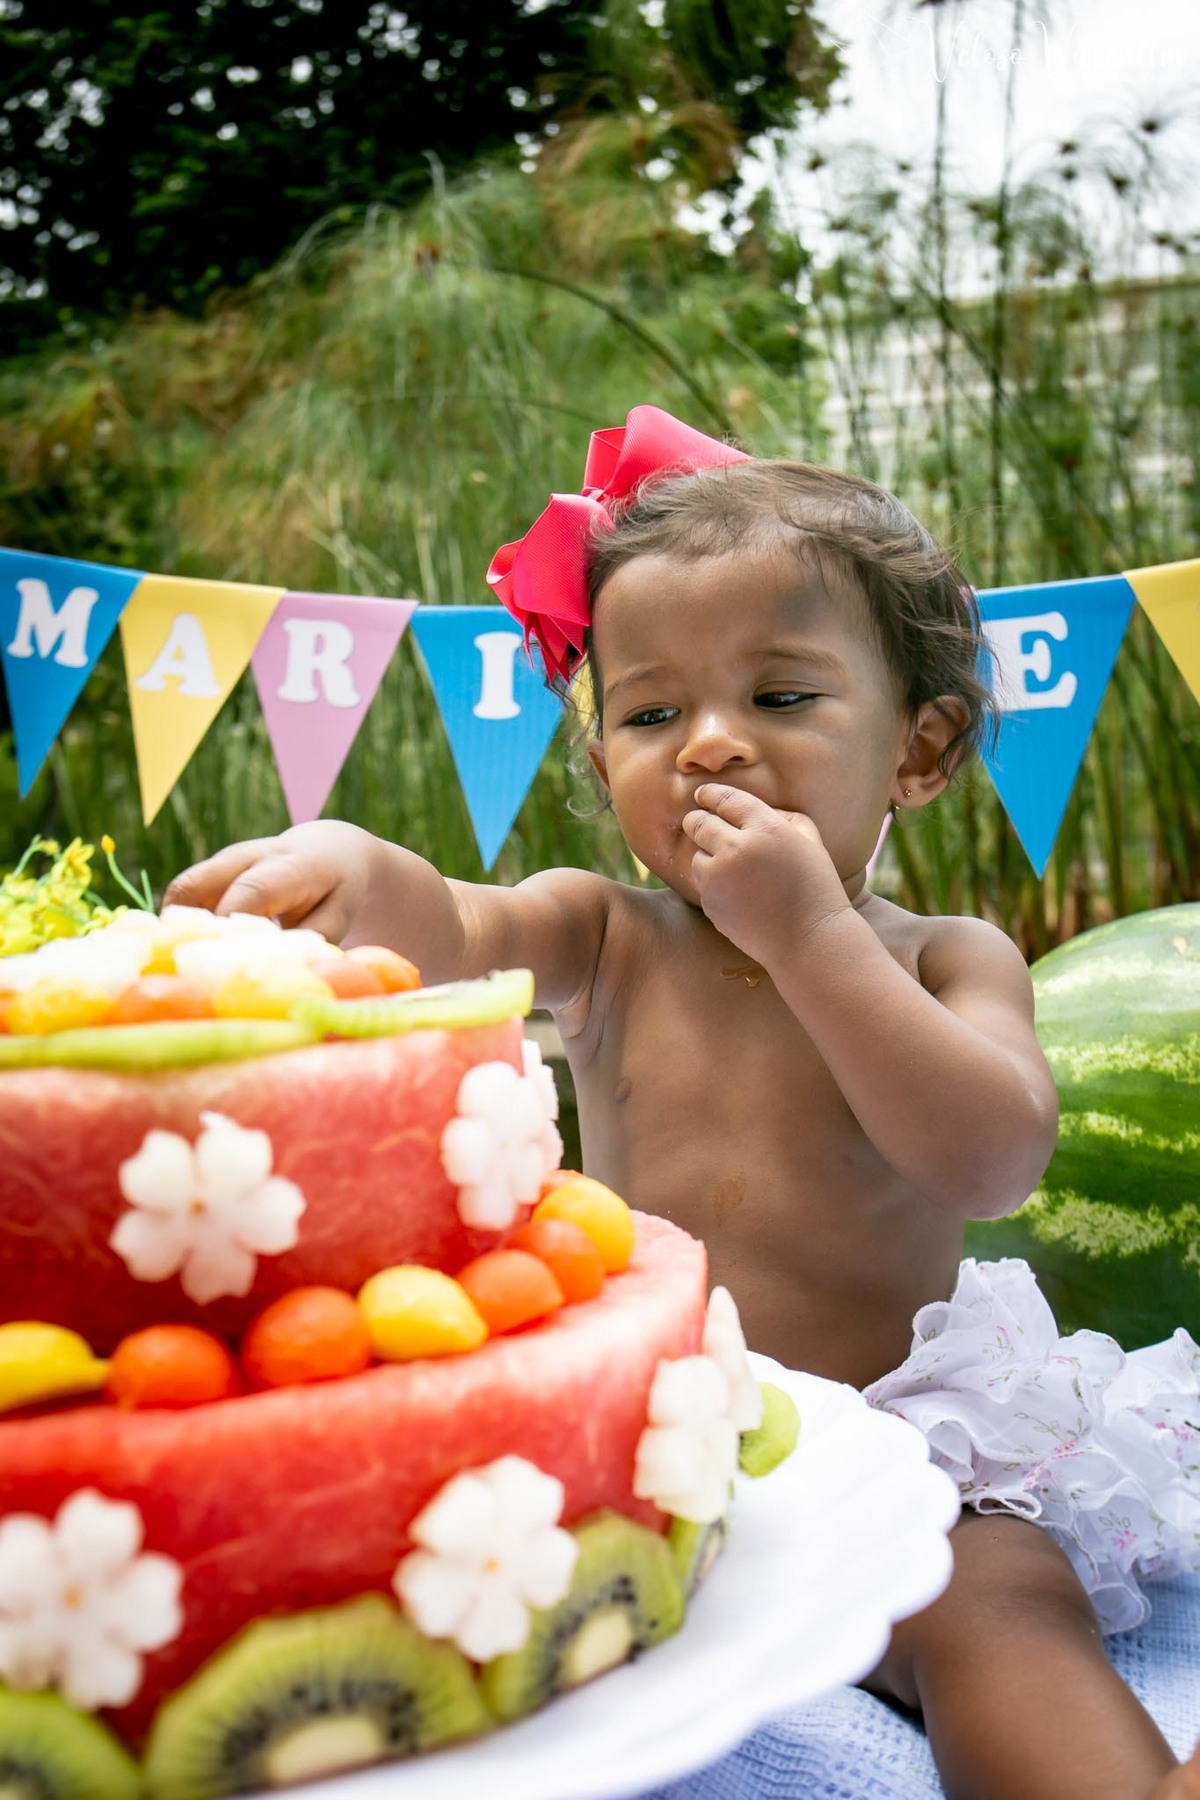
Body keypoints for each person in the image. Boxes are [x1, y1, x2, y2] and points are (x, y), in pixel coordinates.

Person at [166, 405, 1200, 1800]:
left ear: (919, 748)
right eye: (653, 712)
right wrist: (362, 875)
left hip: (901, 1432)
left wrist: (812, 938)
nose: (709, 744)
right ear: (607, 766)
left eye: (779, 698)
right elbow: (465, 928)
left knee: (999, 1605)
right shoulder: (606, 939)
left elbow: (991, 1162)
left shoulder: (945, 957)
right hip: (651, 1419)